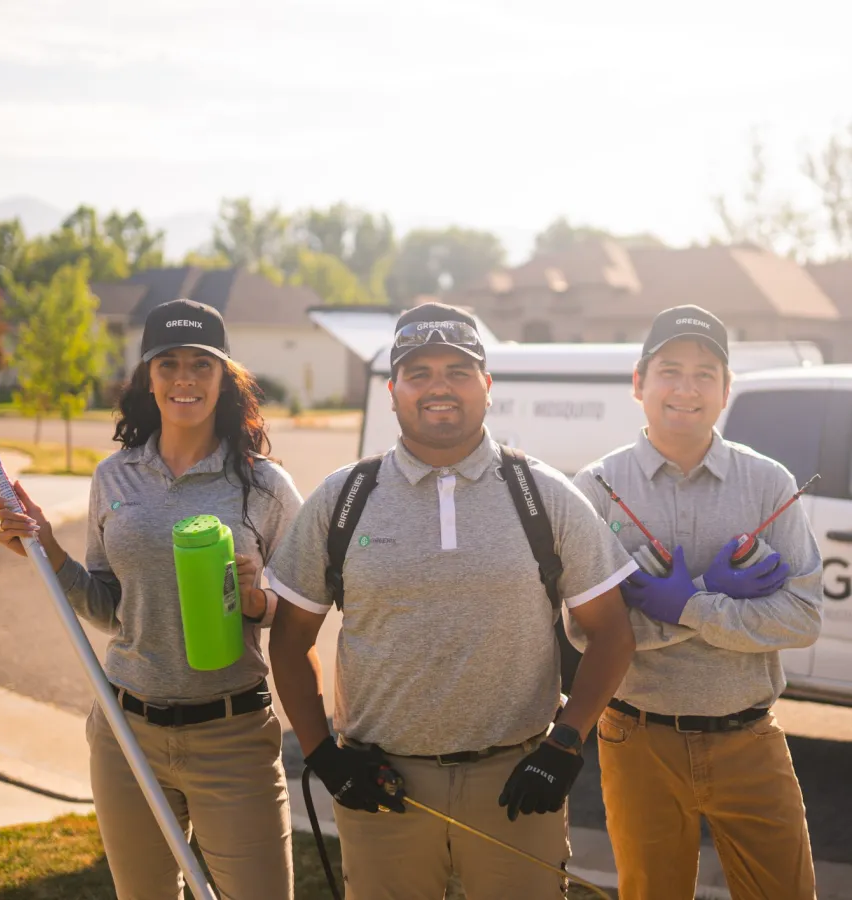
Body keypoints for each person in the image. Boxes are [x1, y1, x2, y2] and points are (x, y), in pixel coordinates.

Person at [264, 301, 637, 900]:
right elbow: (290, 639)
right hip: (383, 785)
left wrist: (565, 744)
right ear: (393, 391)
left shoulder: (542, 494)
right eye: (420, 373)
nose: (439, 388)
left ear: (487, 387)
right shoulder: (344, 497)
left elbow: (612, 632)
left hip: (515, 780)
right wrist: (323, 754)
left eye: (458, 372)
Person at [0, 299, 302, 900]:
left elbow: (302, 612)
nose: (184, 378)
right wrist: (49, 550)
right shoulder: (114, 477)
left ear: (225, 379)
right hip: (124, 734)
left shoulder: (265, 486)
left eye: (200, 365)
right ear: (148, 379)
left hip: (232, 735)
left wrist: (259, 601)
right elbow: (111, 607)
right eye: (168, 364)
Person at [572, 304, 822, 900]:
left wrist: (690, 605)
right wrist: (716, 603)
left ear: (726, 389)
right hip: (638, 741)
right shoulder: (597, 490)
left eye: (705, 373)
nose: (686, 388)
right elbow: (586, 634)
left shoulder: (769, 483)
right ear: (639, 382)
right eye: (670, 370)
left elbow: (804, 617)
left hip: (750, 738)